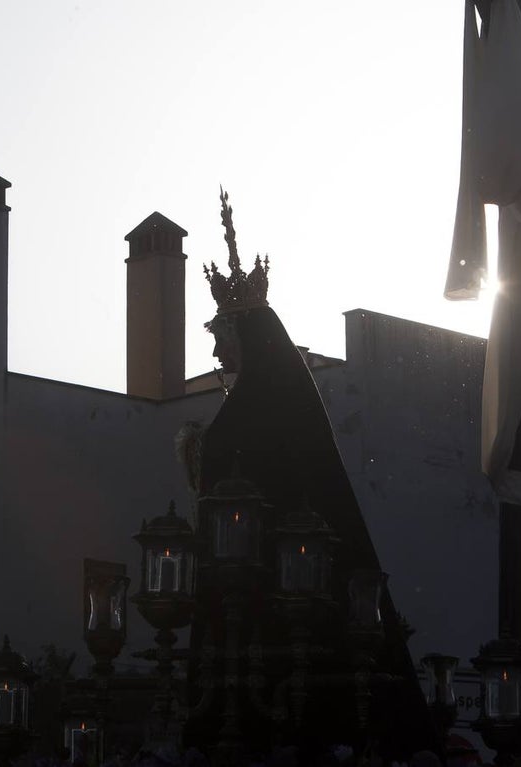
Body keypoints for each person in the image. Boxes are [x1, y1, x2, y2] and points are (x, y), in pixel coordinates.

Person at [184, 190, 433, 761]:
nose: (217, 346)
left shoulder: (258, 408)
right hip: (246, 593)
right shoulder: (258, 402)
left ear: (246, 335)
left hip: (279, 588)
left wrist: (205, 450)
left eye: (221, 333)